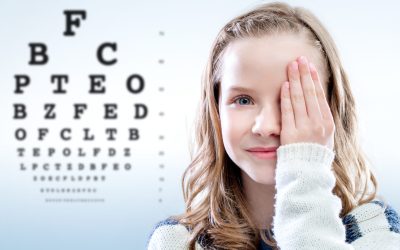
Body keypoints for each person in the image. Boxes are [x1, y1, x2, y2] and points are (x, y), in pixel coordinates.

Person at [147, 2, 400, 249]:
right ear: (216, 110)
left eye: (291, 100)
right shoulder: (177, 241)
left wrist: (304, 165)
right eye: (243, 100)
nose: (266, 126)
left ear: (331, 108)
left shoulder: (374, 229)